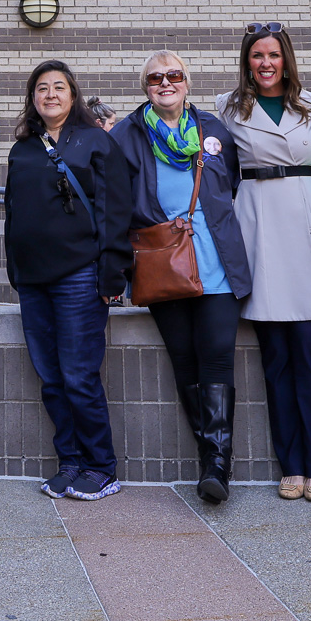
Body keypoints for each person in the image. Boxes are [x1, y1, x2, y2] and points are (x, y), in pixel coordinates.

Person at [212, 23, 311, 504]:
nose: (266, 63)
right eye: (257, 55)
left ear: (286, 58)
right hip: (258, 223)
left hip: (306, 220)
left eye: (274, 54)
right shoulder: (227, 108)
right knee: (275, 362)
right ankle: (290, 465)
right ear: (247, 61)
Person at [109, 50, 251, 504]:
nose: (164, 83)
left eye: (173, 75)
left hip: (216, 259)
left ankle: (216, 465)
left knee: (215, 357)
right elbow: (116, 200)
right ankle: (210, 454)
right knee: (184, 360)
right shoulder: (128, 134)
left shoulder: (212, 129)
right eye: (155, 77)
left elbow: (230, 183)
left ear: (187, 82)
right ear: (144, 86)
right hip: (163, 260)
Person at [7, 61, 132, 502]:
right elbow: (14, 215)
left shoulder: (95, 140)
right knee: (52, 378)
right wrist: (15, 271)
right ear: (33, 98)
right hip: (34, 281)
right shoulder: (22, 148)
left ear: (73, 94)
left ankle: (101, 466)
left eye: (59, 87)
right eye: (41, 88)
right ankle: (71, 463)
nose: (50, 94)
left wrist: (112, 270)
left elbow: (115, 209)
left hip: (81, 275)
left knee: (79, 376)